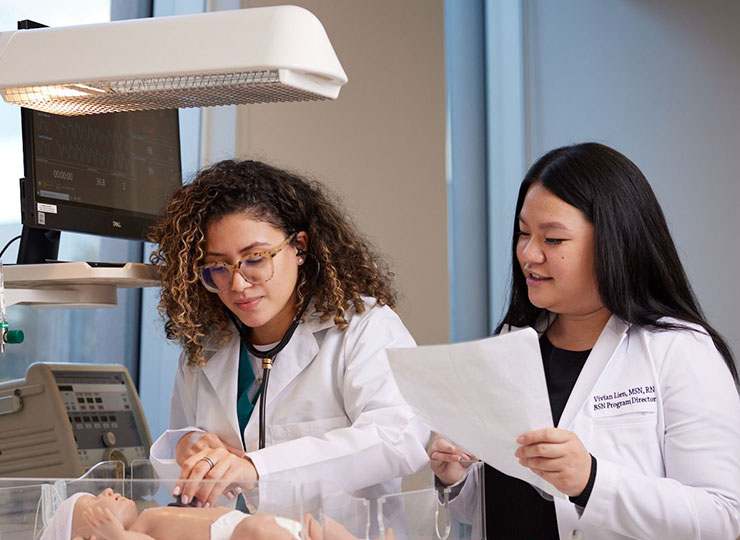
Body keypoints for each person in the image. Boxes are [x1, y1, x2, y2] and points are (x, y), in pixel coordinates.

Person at [429, 142, 740, 539]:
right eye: (523, 233)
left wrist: (592, 481)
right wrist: (456, 477)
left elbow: (722, 517)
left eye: (553, 240)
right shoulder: (512, 344)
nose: (528, 253)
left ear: (615, 243)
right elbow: (504, 505)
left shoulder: (679, 350)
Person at [147, 160, 429, 509]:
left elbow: (398, 438)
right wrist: (187, 445)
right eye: (217, 267)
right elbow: (186, 475)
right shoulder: (207, 344)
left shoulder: (363, 327)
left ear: (299, 247)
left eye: (255, 258)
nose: (237, 284)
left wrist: (257, 468)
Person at [41, 488, 392, 540]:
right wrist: (117, 536)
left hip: (237, 523)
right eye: (92, 506)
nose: (105, 492)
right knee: (261, 530)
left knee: (318, 525)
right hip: (236, 534)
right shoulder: (136, 532)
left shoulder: (150, 513)